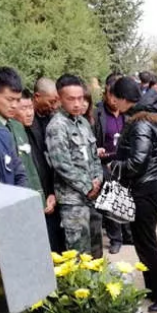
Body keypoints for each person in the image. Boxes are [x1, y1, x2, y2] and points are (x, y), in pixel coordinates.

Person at [111, 80, 157, 313]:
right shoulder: (143, 118)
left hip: (144, 189)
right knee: (143, 242)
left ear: (123, 98)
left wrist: (113, 166)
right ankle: (154, 288)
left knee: (147, 244)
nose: (114, 103)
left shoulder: (140, 123)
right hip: (146, 186)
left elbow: (137, 162)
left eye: (115, 98)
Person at [45, 74, 104, 255]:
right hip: (73, 202)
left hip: (93, 197)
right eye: (71, 99)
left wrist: (98, 179)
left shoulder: (83, 122)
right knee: (79, 252)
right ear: (60, 99)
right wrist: (87, 186)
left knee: (96, 250)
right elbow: (62, 164)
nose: (77, 104)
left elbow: (94, 156)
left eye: (80, 98)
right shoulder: (57, 126)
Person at [0, 67, 44, 206]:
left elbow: (29, 167)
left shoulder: (17, 126)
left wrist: (40, 198)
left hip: (28, 199)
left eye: (17, 100)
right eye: (10, 99)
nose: (14, 105)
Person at [18, 88, 63, 251]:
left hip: (48, 199)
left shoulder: (34, 129)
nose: (29, 113)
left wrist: (51, 193)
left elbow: (45, 165)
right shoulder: (9, 135)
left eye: (30, 107)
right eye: (24, 108)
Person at [94, 73, 134, 254]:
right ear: (106, 93)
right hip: (105, 163)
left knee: (127, 197)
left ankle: (129, 235)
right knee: (110, 198)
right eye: (111, 95)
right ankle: (115, 238)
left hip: (124, 162)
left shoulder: (128, 113)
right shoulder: (98, 113)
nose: (114, 100)